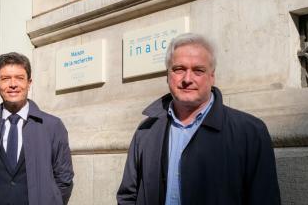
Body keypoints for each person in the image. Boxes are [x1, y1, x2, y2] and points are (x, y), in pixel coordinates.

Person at [117, 33, 280, 205]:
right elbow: (128, 196)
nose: (187, 79)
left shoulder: (250, 132)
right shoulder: (146, 131)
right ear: (167, 75)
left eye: (198, 70)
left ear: (212, 76)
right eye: (179, 69)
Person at [0, 52, 74, 205]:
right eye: (5, 79)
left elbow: (64, 178)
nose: (13, 84)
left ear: (29, 82)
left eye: (19, 78)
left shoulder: (52, 126)